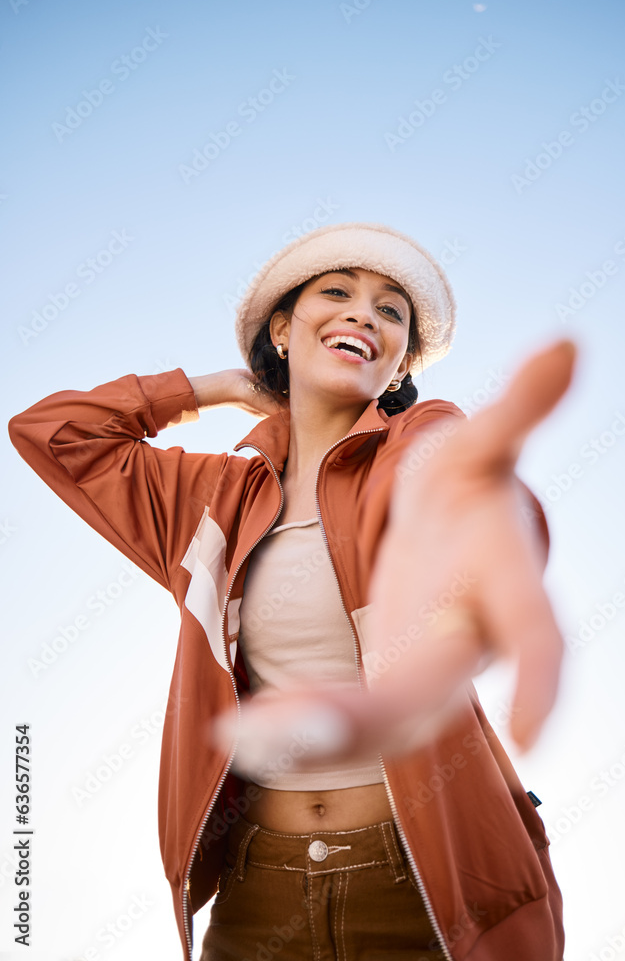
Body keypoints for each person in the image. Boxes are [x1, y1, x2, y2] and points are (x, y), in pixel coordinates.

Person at [8, 221, 571, 961]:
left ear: (401, 363)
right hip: (256, 891)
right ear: (281, 329)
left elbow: (455, 475)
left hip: (425, 883)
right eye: (336, 293)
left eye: (390, 311)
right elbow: (53, 434)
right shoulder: (208, 499)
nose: (364, 314)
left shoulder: (414, 448)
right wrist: (210, 389)